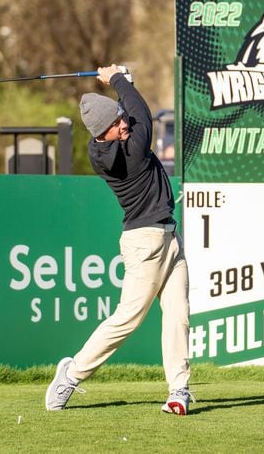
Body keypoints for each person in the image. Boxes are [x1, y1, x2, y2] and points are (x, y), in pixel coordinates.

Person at [45, 64, 192, 415]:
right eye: (115, 124)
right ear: (102, 133)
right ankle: (72, 373)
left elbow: (132, 110)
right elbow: (143, 113)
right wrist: (117, 79)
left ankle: (179, 389)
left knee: (178, 314)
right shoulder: (127, 152)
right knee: (128, 318)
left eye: (120, 118)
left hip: (168, 237)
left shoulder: (109, 142)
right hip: (145, 242)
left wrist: (123, 85)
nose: (123, 124)